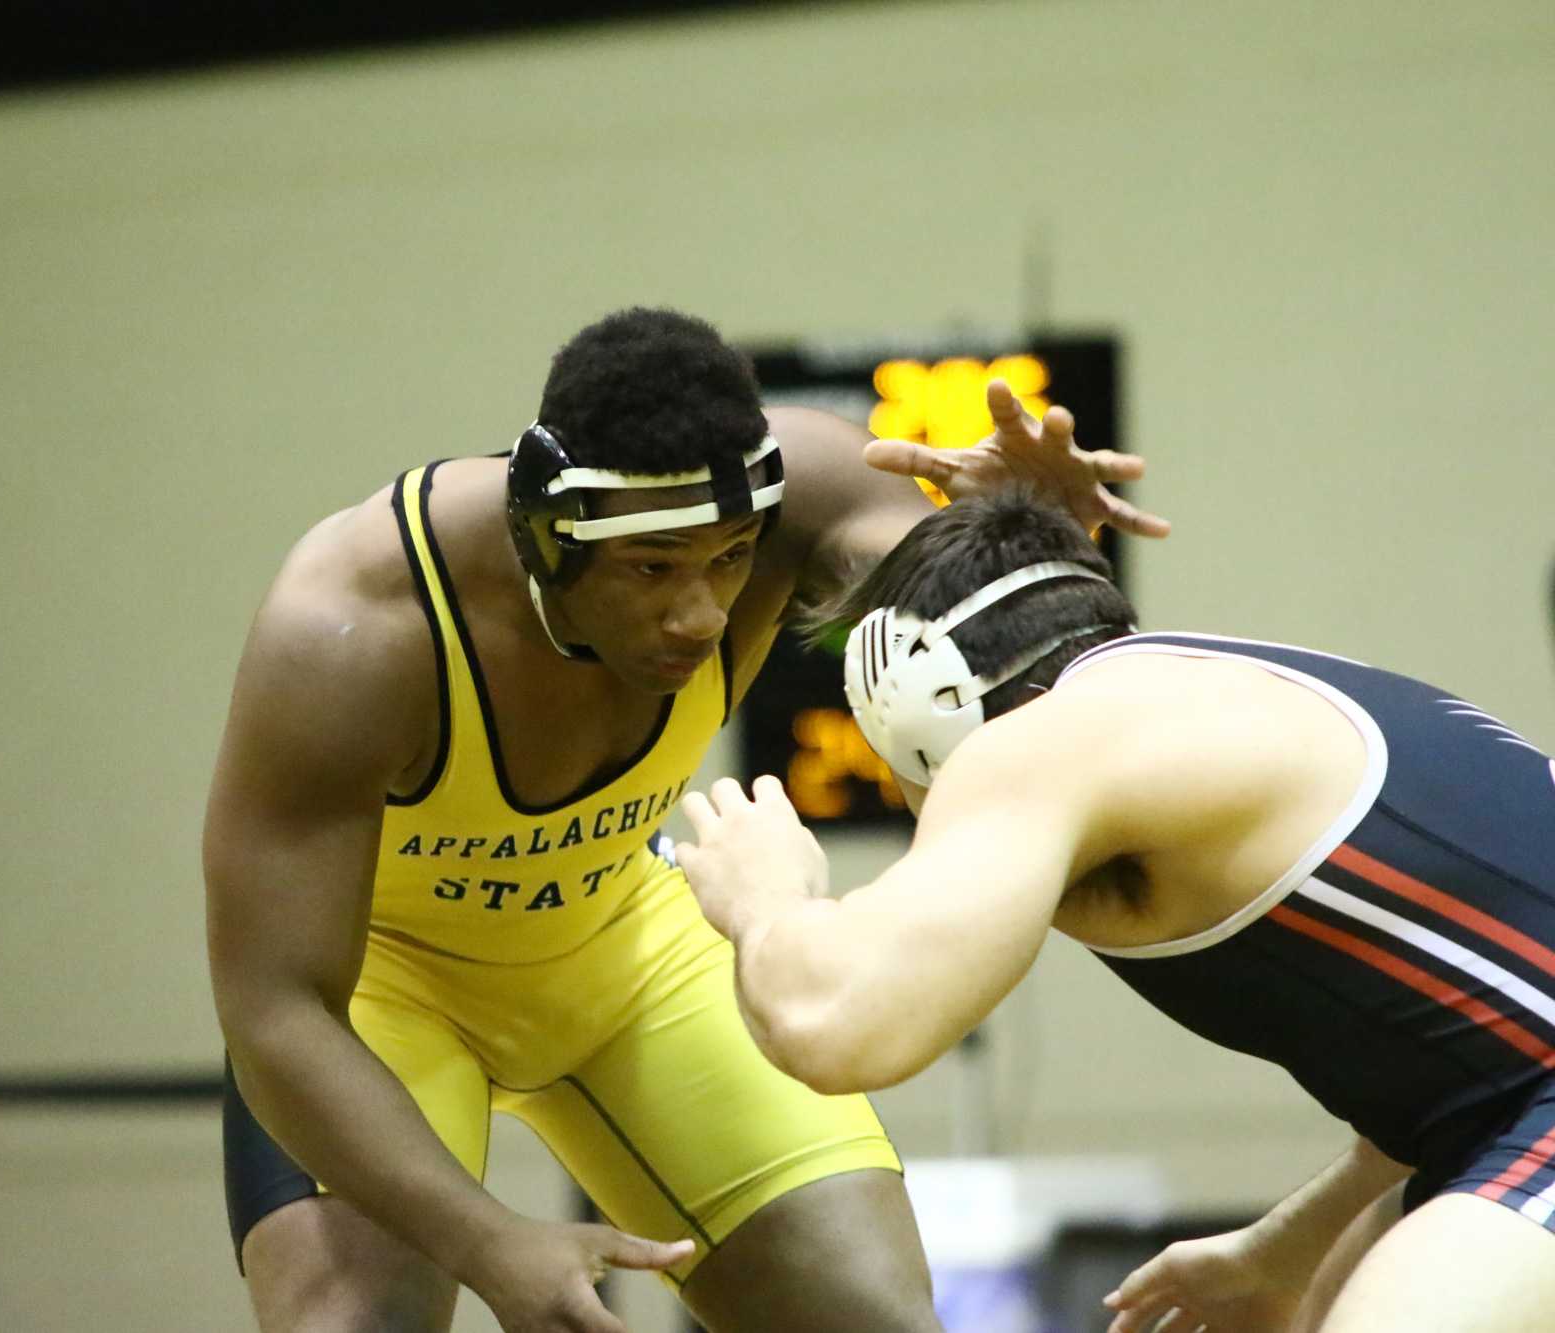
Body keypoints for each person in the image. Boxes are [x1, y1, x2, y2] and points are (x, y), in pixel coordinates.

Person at [202, 307, 1165, 1333]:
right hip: (383, 988)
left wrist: (1031, 547)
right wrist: (491, 1240)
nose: (699, 613)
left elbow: (968, 630)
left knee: (873, 1322)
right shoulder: (354, 626)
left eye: (729, 558)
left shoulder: (806, 484)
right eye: (653, 567)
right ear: (547, 536)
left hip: (623, 949)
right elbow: (275, 1010)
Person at [674, 490, 1555, 1333]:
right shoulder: (1205, 691)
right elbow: (1461, 1070)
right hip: (1505, 1113)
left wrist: (766, 899)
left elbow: (839, 1023)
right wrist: (1280, 1249)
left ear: (919, 711)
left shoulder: (1047, 740)